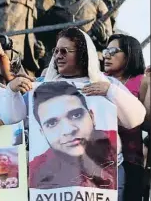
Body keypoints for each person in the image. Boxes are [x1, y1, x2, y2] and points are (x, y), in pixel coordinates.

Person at [39, 27, 146, 200]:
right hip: (59, 179)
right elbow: (19, 118)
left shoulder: (105, 83)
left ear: (82, 54)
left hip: (105, 178)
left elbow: (136, 118)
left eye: (65, 51)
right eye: (56, 51)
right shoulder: (43, 87)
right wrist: (12, 92)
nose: (58, 56)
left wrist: (111, 91)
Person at [29, 81, 117, 189]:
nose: (69, 130)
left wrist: (111, 89)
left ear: (92, 117)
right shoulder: (38, 169)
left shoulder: (114, 146)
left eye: (76, 115)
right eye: (52, 123)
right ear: (42, 132)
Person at [103, 34, 146, 200]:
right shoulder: (98, 79)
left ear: (130, 54)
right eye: (106, 51)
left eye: (113, 51)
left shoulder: (141, 81)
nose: (106, 55)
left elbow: (147, 123)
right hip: (101, 161)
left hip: (130, 160)